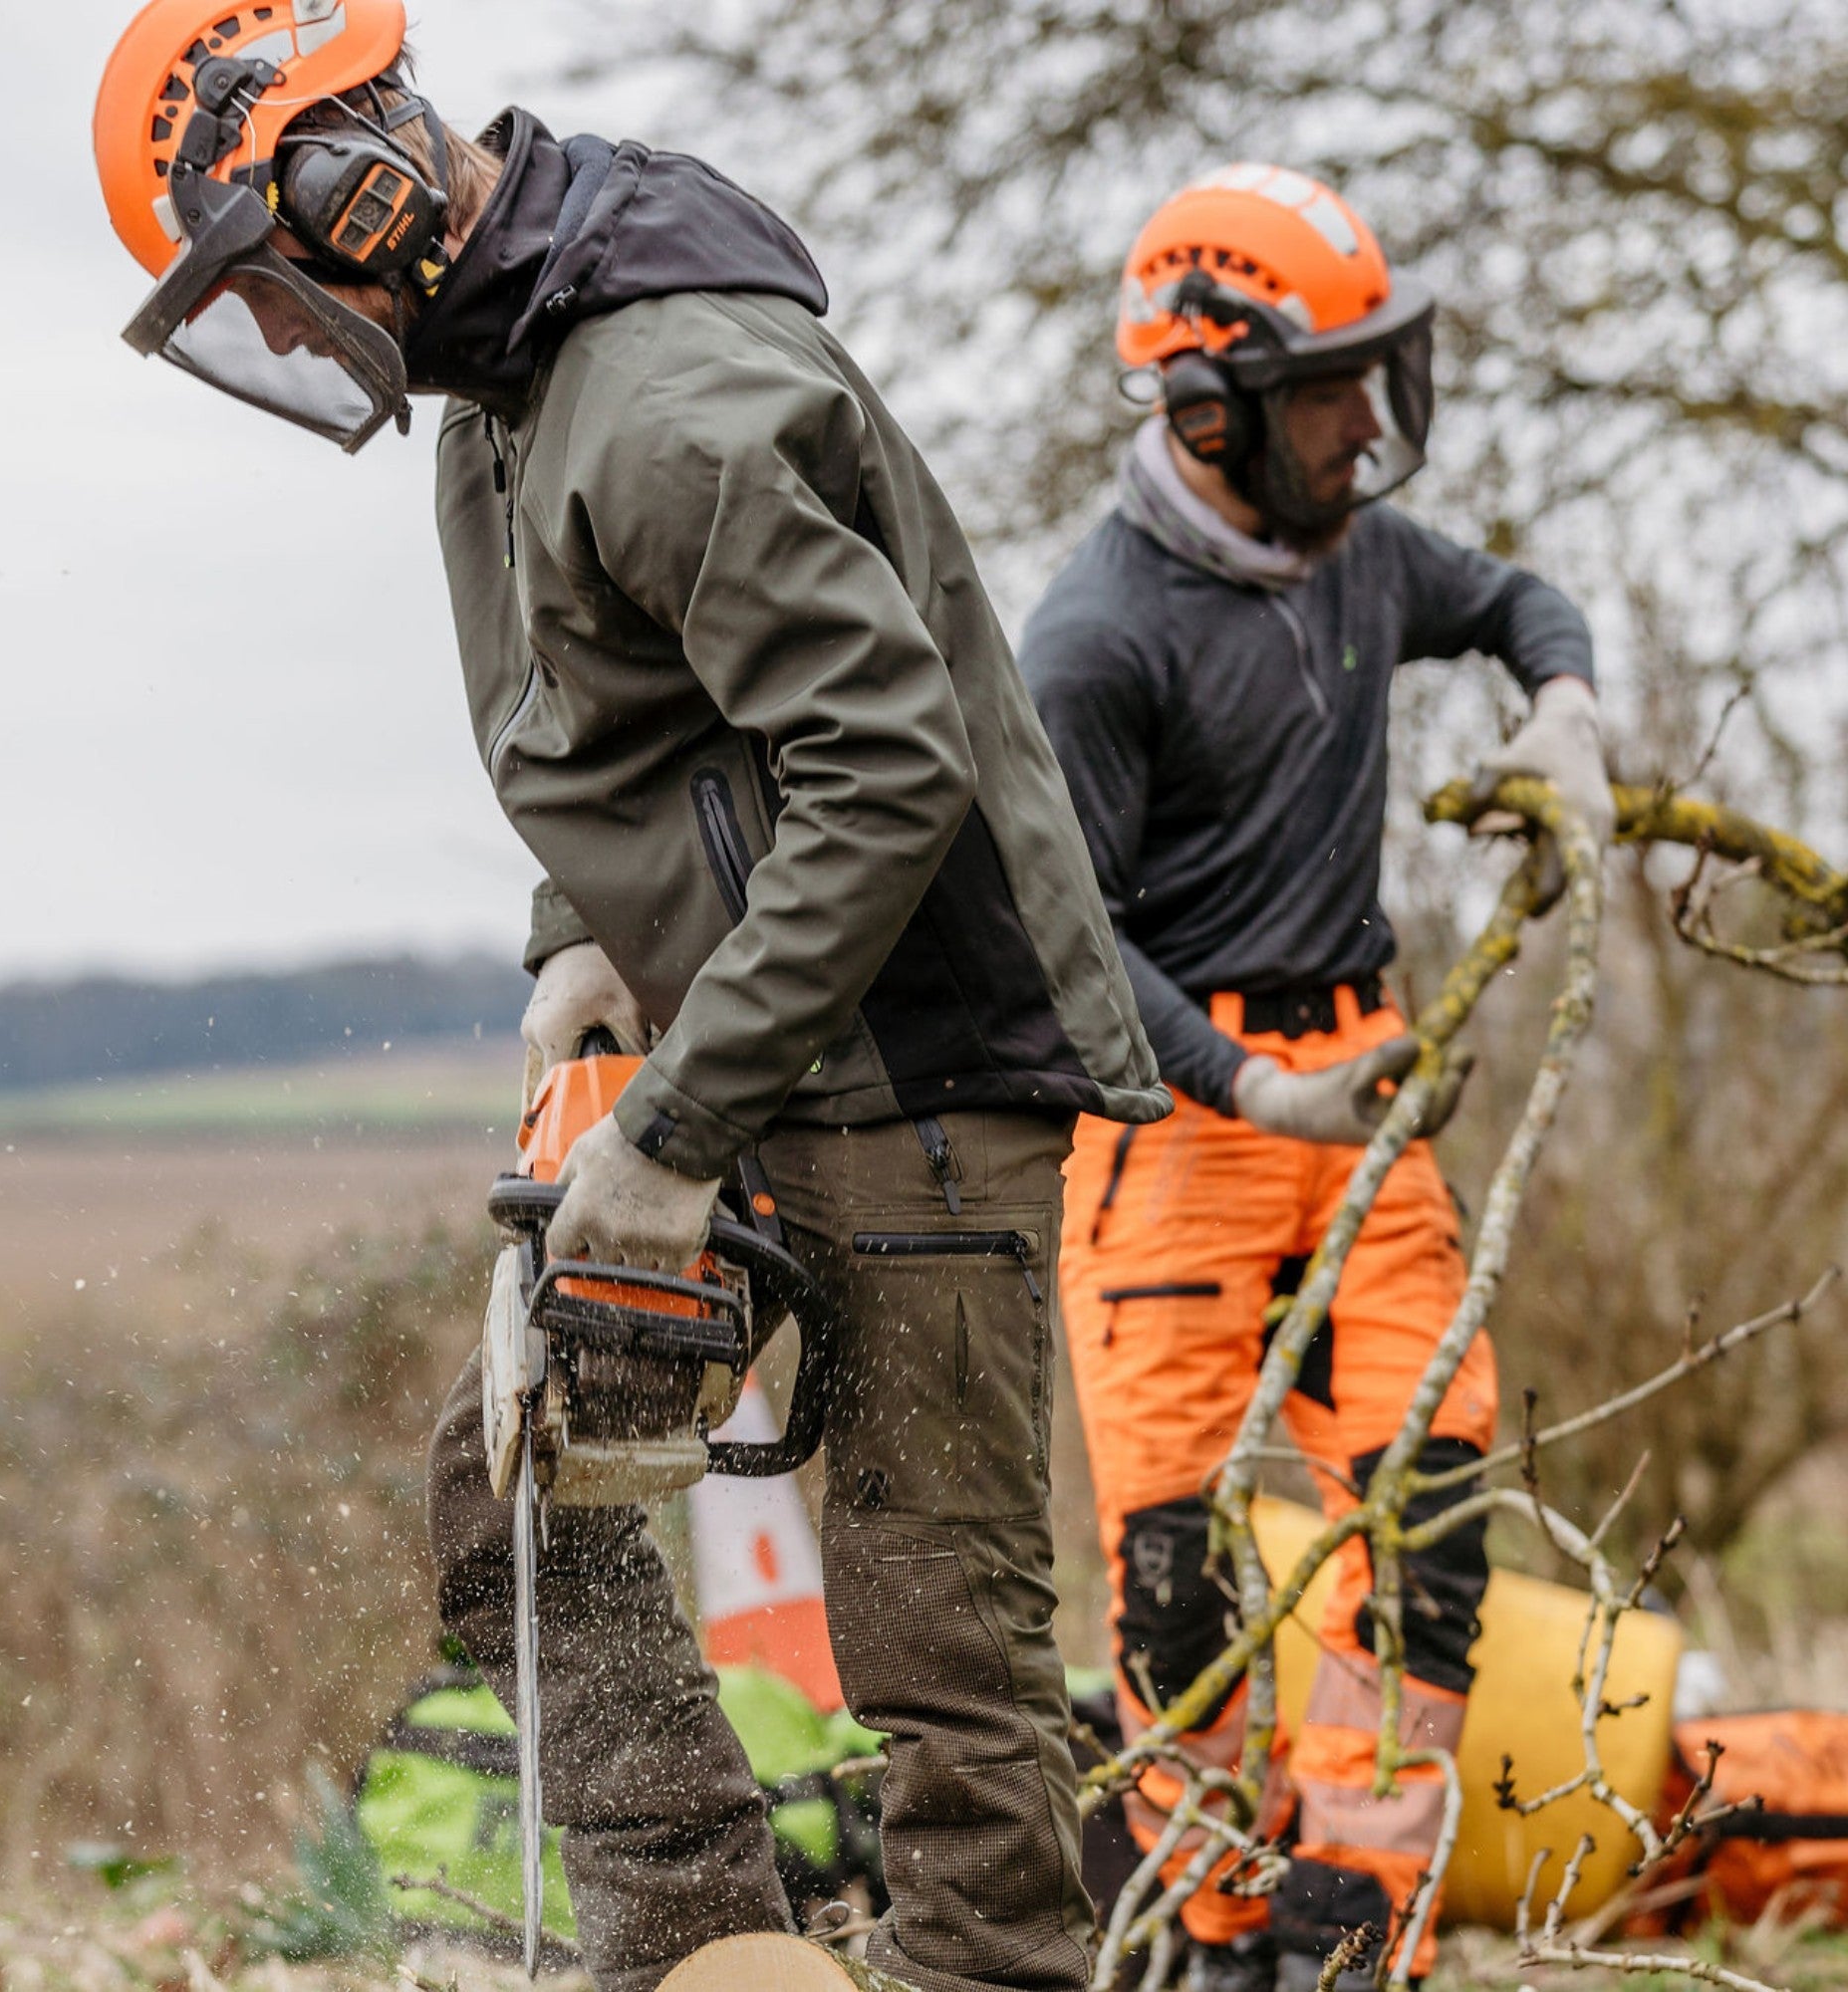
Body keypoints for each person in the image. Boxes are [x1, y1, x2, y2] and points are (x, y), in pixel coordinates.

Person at [93, 6, 1173, 1990]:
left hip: (921, 1060)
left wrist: (672, 1135)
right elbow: (619, 722)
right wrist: (575, 944)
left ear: (363, 185)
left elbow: (886, 769)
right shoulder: (507, 388)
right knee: (514, 1475)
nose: (288, 335)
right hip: (767, 1032)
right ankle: (690, 1936)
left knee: (935, 1633)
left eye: (272, 281)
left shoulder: (668, 399)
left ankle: (991, 1967)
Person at [1017, 165, 1615, 1992]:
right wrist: (1241, 1092)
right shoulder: (1096, 635)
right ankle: (1204, 1930)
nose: (1367, 421)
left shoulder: (1360, 551)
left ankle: (1359, 1928)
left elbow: (1521, 598)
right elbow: (1069, 942)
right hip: (1172, 1119)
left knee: (1427, 1517)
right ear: (1210, 410)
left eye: (1376, 375)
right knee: (1183, 1572)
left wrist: (1564, 703)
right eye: (1327, 388)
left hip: (1369, 1082)